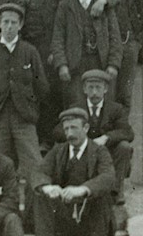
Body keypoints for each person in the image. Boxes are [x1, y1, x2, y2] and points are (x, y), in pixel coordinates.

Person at [0, 3, 49, 181]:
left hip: (24, 117)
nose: (9, 27)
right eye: (6, 22)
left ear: (20, 25)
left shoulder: (29, 51)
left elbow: (42, 87)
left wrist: (31, 108)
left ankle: (36, 198)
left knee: (34, 164)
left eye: (13, 22)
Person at [16, 0, 71, 151]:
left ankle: (48, 140)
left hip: (48, 47)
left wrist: (56, 51)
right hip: (29, 46)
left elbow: (62, 21)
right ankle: (34, 139)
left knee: (48, 92)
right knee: (31, 91)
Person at [56, 69, 134, 208]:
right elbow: (58, 131)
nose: (94, 92)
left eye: (98, 88)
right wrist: (80, 136)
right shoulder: (76, 108)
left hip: (107, 152)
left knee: (124, 147)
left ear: (105, 89)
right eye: (90, 88)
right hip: (84, 151)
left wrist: (106, 137)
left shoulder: (116, 108)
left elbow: (127, 132)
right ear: (84, 89)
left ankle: (115, 191)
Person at [31, 108, 115, 236]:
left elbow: (108, 176)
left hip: (91, 216)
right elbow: (39, 171)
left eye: (74, 128)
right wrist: (48, 187)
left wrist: (83, 189)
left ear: (86, 128)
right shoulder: (58, 150)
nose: (69, 134)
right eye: (66, 129)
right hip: (65, 215)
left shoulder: (99, 151)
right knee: (41, 192)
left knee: (102, 196)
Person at [51, 0, 122, 108]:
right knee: (75, 105)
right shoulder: (65, 6)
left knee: (101, 105)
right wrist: (62, 65)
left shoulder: (105, 5)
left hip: (100, 62)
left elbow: (115, 37)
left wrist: (113, 64)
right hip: (75, 65)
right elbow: (57, 38)